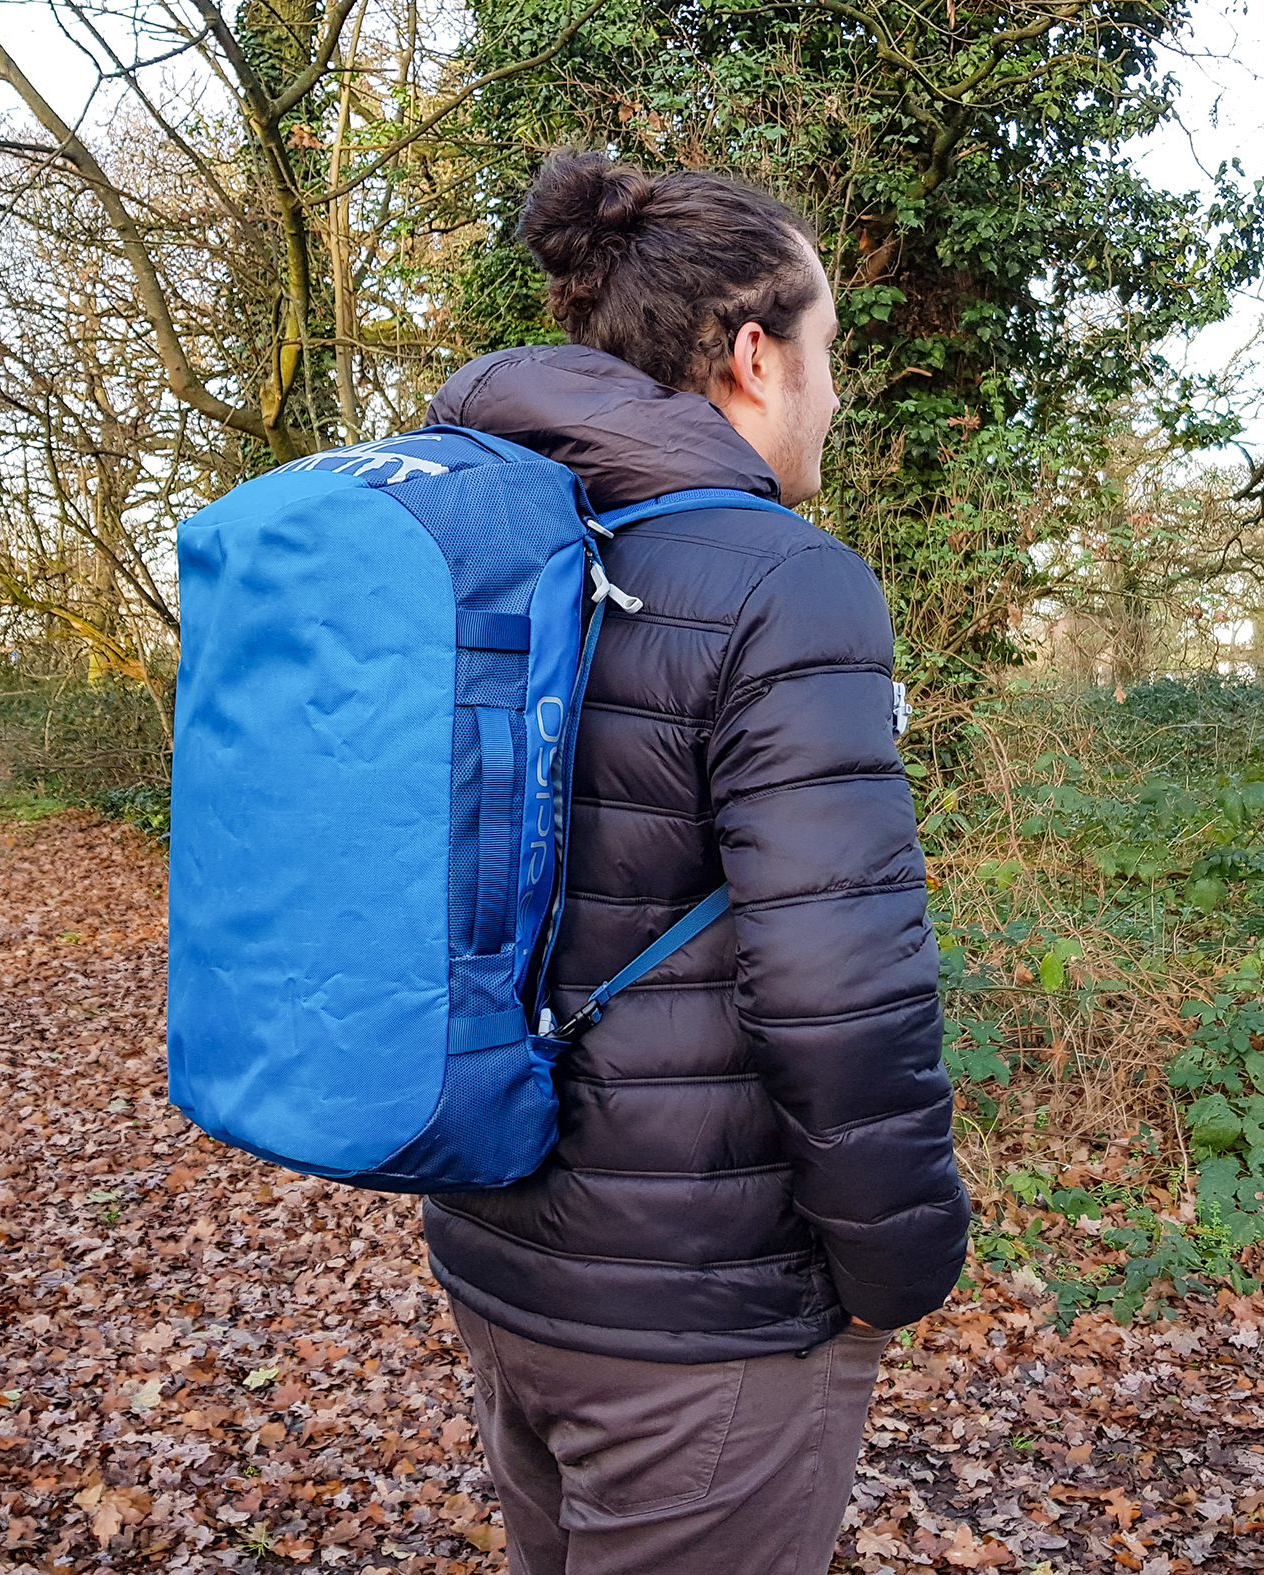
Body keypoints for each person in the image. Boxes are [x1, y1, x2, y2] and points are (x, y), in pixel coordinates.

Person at [419, 151, 971, 1575]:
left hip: (501, 1251)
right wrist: (897, 1265)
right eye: (828, 354)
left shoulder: (479, 552)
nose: (835, 396)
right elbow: (837, 980)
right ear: (751, 357)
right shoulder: (783, 579)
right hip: (702, 1306)